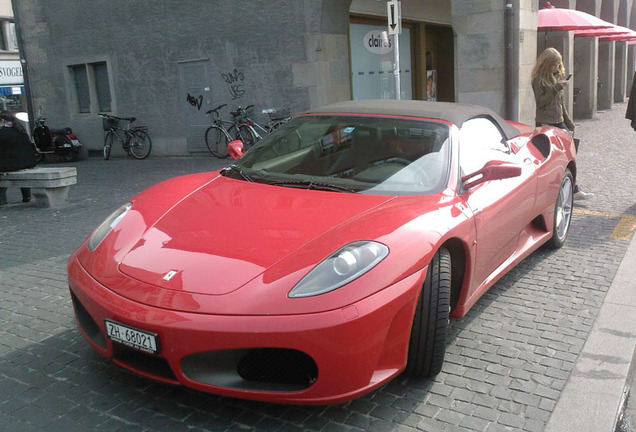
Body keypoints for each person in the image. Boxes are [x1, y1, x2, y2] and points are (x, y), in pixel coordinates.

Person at [532, 47, 593, 200]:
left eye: (559, 65)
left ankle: (573, 188)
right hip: (546, 122)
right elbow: (540, 103)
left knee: (568, 155)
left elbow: (561, 103)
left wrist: (568, 122)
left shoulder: (557, 76)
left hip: (559, 122)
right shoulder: (539, 80)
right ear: (546, 64)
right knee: (550, 159)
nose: (557, 68)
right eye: (554, 65)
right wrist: (556, 88)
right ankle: (550, 189)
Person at [0, 111, 39, 204]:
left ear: (2, 120)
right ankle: (26, 196)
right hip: (28, 162)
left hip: (14, 164)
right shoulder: (21, 130)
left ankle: (1, 199)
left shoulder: (3, 133)